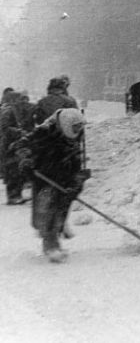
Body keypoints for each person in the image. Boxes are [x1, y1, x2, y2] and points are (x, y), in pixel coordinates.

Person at [16, 108, 88, 263]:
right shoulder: (44, 131)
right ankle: (50, 244)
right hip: (44, 176)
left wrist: (77, 180)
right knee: (48, 208)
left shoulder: (76, 133)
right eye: (75, 127)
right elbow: (22, 145)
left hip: (65, 174)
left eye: (79, 127)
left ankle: (55, 238)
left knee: (62, 207)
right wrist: (25, 158)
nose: (78, 131)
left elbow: (76, 156)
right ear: (66, 124)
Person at [1, 91, 30, 204]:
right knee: (13, 170)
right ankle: (13, 196)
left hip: (7, 144)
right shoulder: (8, 110)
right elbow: (5, 128)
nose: (19, 101)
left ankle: (15, 195)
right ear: (12, 99)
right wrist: (19, 132)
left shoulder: (6, 109)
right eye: (17, 99)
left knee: (13, 170)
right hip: (9, 144)